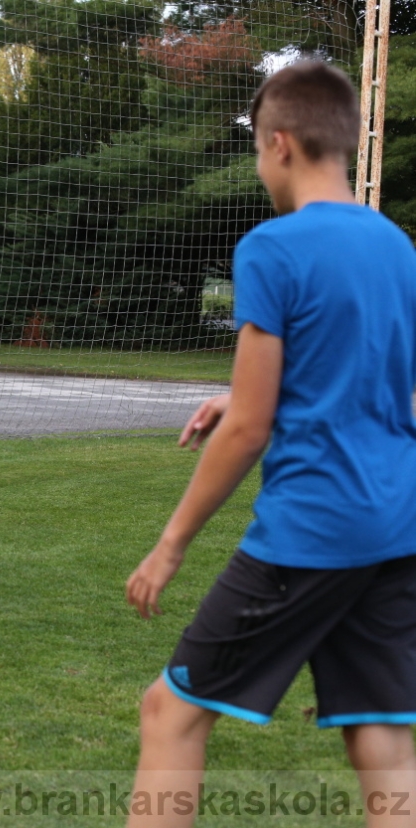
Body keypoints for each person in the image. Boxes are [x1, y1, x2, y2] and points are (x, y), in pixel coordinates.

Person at [124, 61, 416, 827]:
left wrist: (171, 543)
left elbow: (250, 428)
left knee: (171, 712)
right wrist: (245, 391)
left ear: (280, 143)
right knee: (382, 738)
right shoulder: (396, 248)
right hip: (395, 525)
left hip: (312, 531)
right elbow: (368, 377)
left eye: (257, 149)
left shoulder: (272, 248)